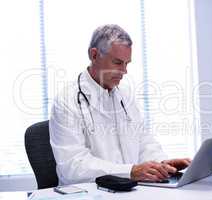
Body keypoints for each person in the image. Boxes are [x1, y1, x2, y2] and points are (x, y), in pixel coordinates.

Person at [49, 24, 191, 185]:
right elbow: (73, 166)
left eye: (126, 63)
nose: (124, 71)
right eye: (117, 63)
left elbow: (144, 142)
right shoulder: (66, 101)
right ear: (94, 55)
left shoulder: (125, 94)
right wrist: (130, 171)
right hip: (91, 192)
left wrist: (161, 164)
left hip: (130, 190)